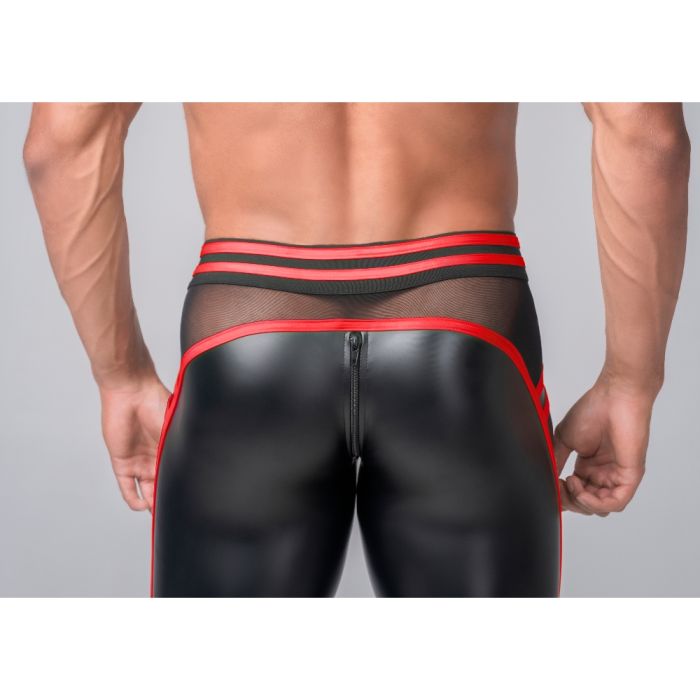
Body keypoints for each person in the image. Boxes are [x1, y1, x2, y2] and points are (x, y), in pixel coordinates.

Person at [23, 103, 689, 597]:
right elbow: (645, 133)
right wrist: (631, 380)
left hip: (250, 334)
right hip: (465, 332)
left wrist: (120, 374)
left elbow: (61, 143)